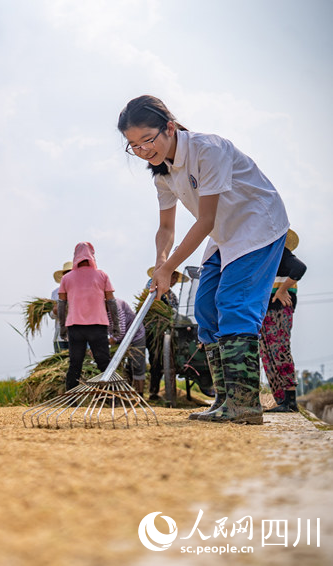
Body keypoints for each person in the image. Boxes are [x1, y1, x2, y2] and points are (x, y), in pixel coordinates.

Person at [118, 95, 289, 425]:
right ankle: (224, 400)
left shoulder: (207, 150)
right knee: (206, 308)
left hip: (257, 224)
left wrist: (170, 267)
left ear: (170, 128)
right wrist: (161, 263)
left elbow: (205, 219)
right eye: (133, 145)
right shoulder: (163, 175)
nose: (143, 150)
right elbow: (166, 228)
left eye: (148, 139)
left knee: (234, 303)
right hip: (224, 234)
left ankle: (245, 404)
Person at [57, 242, 120, 391]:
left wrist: (62, 327)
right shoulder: (102, 275)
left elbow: (61, 304)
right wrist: (115, 324)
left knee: (75, 364)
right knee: (104, 363)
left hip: (75, 327)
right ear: (92, 256)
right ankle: (113, 397)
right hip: (97, 326)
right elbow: (111, 301)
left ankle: (71, 398)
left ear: (75, 257)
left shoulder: (67, 278)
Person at [260, 229, 306, 413]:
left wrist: (282, 290)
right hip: (265, 309)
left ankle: (290, 399)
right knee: (266, 352)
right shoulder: (266, 258)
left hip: (279, 308)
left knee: (279, 348)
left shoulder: (282, 253)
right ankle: (280, 398)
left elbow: (300, 268)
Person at [143, 266, 186, 401]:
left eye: (176, 278)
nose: (174, 280)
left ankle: (154, 392)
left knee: (160, 361)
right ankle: (147, 392)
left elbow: (175, 312)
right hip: (151, 328)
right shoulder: (153, 284)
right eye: (173, 276)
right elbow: (153, 296)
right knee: (153, 359)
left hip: (167, 330)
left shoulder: (172, 296)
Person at [110, 298, 148, 396]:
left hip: (135, 335)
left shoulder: (116, 306)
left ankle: (140, 394)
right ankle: (119, 393)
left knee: (137, 364)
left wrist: (107, 341)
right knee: (114, 364)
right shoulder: (97, 309)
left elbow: (121, 332)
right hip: (117, 337)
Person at [50, 261, 73, 353]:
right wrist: (55, 311)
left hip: (79, 336)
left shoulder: (82, 291)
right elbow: (51, 315)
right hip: (60, 338)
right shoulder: (55, 293)